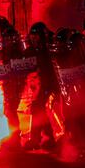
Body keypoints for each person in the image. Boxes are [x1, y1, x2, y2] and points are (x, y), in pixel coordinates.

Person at [22, 22, 57, 151]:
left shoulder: (46, 51)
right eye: (32, 35)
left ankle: (38, 139)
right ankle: (48, 137)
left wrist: (51, 86)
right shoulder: (29, 50)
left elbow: (50, 69)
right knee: (38, 110)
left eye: (36, 35)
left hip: (44, 84)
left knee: (37, 110)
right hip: (32, 86)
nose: (34, 37)